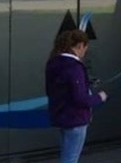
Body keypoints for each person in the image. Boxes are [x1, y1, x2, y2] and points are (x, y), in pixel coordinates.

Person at [45, 29, 108, 163]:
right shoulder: (74, 67)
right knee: (70, 159)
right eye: (85, 48)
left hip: (60, 115)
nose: (84, 53)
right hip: (76, 118)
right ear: (80, 45)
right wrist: (99, 97)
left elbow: (51, 90)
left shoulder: (53, 63)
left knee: (67, 156)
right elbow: (80, 98)